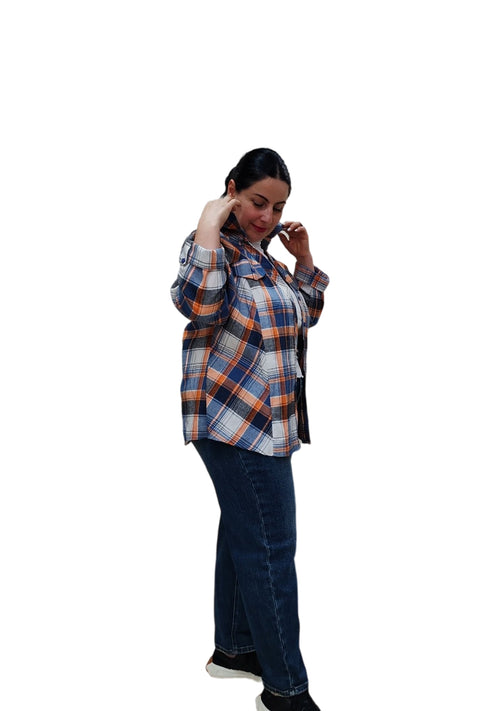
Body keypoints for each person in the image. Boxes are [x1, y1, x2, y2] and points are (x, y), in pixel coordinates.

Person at [170, 148, 329, 711]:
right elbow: (198, 303)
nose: (268, 216)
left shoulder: (264, 258)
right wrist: (208, 220)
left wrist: (303, 259)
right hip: (234, 423)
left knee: (247, 530)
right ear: (233, 189)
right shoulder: (210, 248)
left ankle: (236, 648)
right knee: (271, 548)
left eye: (278, 207)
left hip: (268, 421)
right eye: (258, 201)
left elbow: (305, 314)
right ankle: (286, 690)